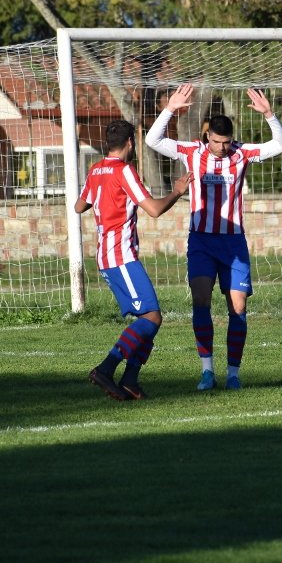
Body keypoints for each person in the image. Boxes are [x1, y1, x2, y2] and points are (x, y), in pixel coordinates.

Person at [145, 83, 282, 390]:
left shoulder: (242, 153)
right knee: (201, 301)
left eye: (225, 142)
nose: (221, 147)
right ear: (206, 135)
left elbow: (281, 144)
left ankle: (234, 374)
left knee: (238, 308)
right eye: (216, 141)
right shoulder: (190, 151)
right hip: (201, 241)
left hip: (233, 242)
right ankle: (207, 371)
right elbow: (153, 139)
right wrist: (170, 108)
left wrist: (269, 116)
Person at [75, 119, 191, 400]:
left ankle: (129, 380)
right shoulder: (124, 171)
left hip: (106, 256)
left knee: (149, 318)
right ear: (130, 143)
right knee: (151, 316)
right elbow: (153, 209)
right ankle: (106, 368)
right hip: (121, 256)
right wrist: (176, 191)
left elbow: (79, 206)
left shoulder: (95, 169)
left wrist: (103, 199)